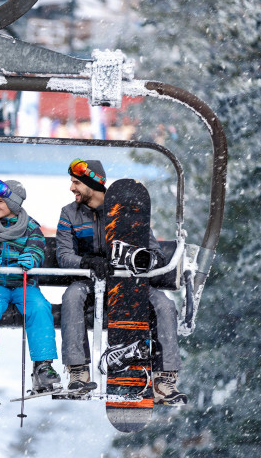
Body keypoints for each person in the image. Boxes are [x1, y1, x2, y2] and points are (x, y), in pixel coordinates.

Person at [56, 158, 187, 405]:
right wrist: (86, 262)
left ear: (91, 184)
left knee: (165, 306)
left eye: (76, 183)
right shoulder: (69, 214)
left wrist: (140, 261)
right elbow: (64, 255)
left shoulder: (127, 213)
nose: (72, 188)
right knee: (71, 296)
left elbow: (155, 254)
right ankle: (78, 372)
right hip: (92, 282)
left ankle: (164, 378)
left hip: (130, 283)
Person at [0, 179, 61, 392]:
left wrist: (31, 259)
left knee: (39, 307)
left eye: (0, 201)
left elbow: (37, 249)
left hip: (24, 285)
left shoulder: (31, 229)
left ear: (14, 204)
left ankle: (43, 365)